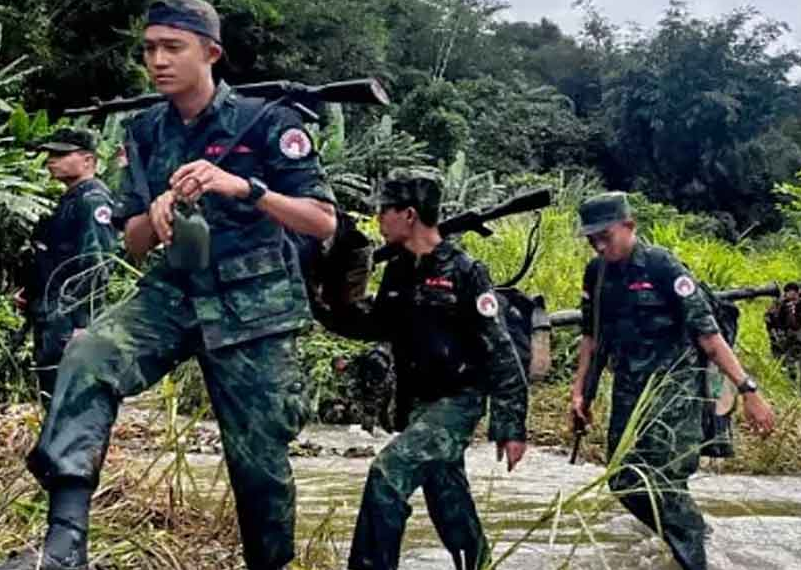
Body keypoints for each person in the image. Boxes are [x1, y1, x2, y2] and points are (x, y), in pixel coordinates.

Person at [13, 2, 338, 569]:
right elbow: (132, 240)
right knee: (91, 352)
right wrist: (156, 212)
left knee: (258, 464)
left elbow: (322, 220)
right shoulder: (144, 132)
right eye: (149, 48)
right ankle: (65, 543)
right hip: (173, 292)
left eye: (173, 47)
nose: (157, 60)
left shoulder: (269, 122)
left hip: (253, 305)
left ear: (210, 53)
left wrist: (243, 187)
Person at [323, 173, 529, 570]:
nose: (378, 218)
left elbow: (501, 351)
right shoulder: (400, 270)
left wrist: (511, 426)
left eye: (385, 210)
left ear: (409, 215)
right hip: (419, 403)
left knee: (387, 475)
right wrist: (330, 304)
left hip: (458, 402)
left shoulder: (466, 272)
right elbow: (377, 325)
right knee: (448, 501)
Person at [569, 192, 776, 570]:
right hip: (629, 390)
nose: (599, 245)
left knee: (663, 479)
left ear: (629, 227)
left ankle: (693, 555)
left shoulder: (662, 266)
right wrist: (581, 389)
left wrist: (748, 390)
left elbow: (709, 336)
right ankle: (692, 531)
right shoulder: (596, 274)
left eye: (606, 236)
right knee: (623, 480)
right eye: (591, 239)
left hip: (675, 389)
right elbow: (591, 337)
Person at [11, 128, 117, 407]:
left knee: (68, 395)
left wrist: (83, 323)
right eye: (50, 154)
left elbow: (96, 263)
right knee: (52, 389)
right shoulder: (70, 199)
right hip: (52, 312)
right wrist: (30, 291)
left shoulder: (91, 200)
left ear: (88, 160)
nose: (51, 160)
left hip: (68, 318)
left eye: (61, 154)